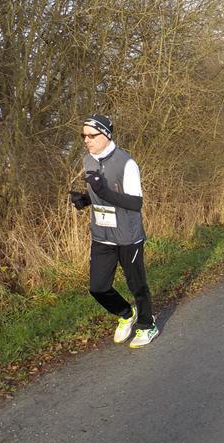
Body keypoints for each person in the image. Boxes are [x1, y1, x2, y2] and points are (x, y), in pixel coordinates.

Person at [69, 114, 158, 348]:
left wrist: (103, 192)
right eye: (83, 136)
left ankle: (147, 325)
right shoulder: (88, 160)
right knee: (98, 287)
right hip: (102, 235)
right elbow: (99, 194)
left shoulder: (126, 163)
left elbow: (135, 203)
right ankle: (126, 314)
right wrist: (85, 199)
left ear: (106, 135)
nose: (86, 140)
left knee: (137, 285)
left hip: (128, 236)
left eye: (92, 135)